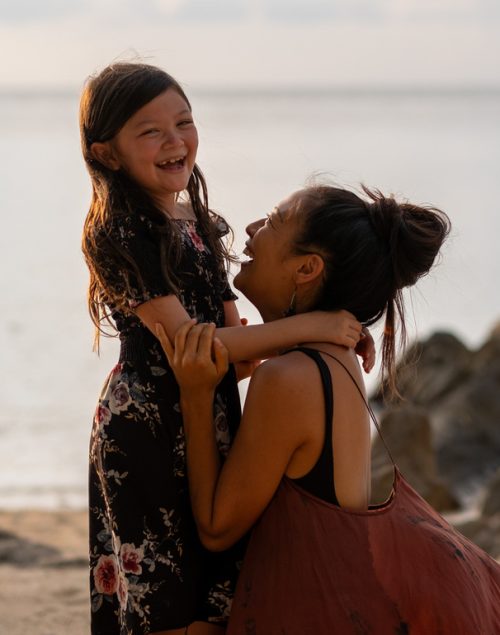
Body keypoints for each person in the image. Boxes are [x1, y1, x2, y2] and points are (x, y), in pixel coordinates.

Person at [80, 63, 371, 635]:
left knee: (217, 597)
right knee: (162, 598)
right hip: (144, 431)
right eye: (150, 131)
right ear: (108, 154)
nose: (175, 141)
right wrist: (314, 324)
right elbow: (196, 345)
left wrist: (324, 334)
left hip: (210, 417)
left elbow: (237, 355)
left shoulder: (201, 225)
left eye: (184, 122)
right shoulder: (117, 231)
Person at [158, 185, 453, 633]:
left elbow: (217, 528)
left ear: (307, 268)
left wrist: (196, 396)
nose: (252, 229)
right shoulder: (338, 361)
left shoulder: (288, 379)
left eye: (274, 222)